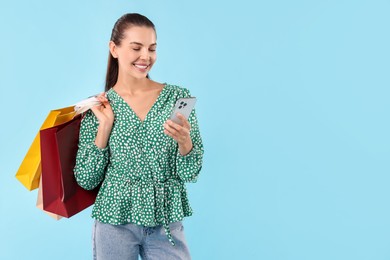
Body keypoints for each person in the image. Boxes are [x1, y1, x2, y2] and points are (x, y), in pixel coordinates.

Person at [73, 13, 204, 260]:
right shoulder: (100, 106)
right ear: (114, 49)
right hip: (114, 220)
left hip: (166, 220)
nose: (146, 57)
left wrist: (185, 142)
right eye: (136, 48)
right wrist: (104, 127)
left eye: (152, 49)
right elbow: (87, 179)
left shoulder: (177, 98)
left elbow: (190, 173)